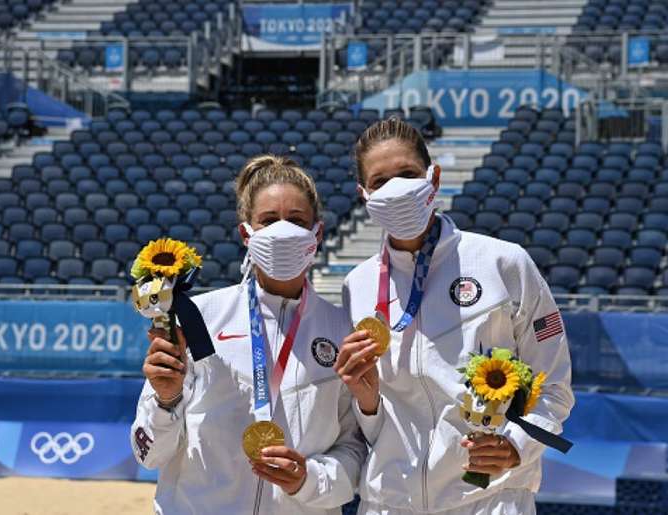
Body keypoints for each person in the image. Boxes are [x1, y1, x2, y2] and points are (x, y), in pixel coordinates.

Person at [335, 118, 574, 514]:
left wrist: (517, 446)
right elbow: (370, 422)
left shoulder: (503, 263)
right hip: (389, 503)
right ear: (364, 194)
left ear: (434, 178)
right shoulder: (357, 286)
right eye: (379, 181)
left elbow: (554, 386)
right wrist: (367, 403)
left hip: (488, 499)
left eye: (408, 174)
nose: (395, 188)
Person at [131, 155, 367, 514]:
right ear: (246, 233)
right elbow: (148, 455)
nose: (283, 231)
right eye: (269, 220)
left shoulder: (340, 329)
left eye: (297, 220)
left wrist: (310, 480)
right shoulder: (199, 319)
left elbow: (353, 449)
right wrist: (165, 402)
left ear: (316, 234)